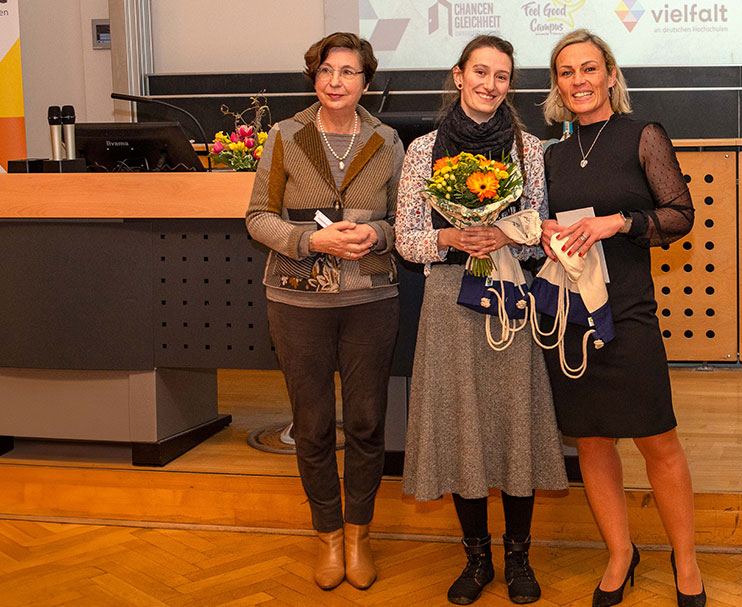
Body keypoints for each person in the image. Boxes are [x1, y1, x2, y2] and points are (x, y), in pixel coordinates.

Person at [395, 35, 568, 606]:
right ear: (458, 75)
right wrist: (450, 236)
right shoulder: (423, 150)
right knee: (459, 422)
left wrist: (503, 235)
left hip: (509, 294)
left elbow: (540, 231)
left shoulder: (528, 149)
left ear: (510, 84)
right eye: (480, 72)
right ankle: (476, 559)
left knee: (515, 421)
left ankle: (519, 558)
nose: (490, 85)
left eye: (501, 76)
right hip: (448, 299)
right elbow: (406, 238)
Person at [539, 30, 705, 607]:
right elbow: (540, 229)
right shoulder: (551, 155)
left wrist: (618, 222)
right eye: (567, 72)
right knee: (590, 441)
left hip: (628, 309)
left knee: (658, 439)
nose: (579, 81)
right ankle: (619, 553)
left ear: (610, 75)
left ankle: (686, 560)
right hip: (570, 315)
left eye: (589, 68)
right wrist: (543, 232)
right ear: (557, 84)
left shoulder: (643, 135)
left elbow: (679, 215)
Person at [245, 32, 404, 591]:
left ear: (367, 81)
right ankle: (329, 537)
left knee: (365, 422)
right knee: (312, 426)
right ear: (314, 77)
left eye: (348, 72)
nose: (336, 82)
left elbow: (403, 222)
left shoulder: (387, 140)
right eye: (326, 71)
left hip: (370, 300)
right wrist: (310, 241)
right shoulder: (285, 136)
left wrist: (377, 233)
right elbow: (257, 217)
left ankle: (359, 535)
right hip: (297, 301)